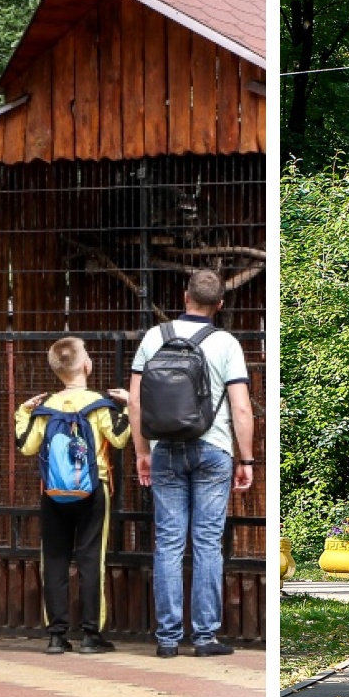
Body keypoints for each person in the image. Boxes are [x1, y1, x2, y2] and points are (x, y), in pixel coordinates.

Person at [128, 269, 254, 658]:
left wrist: (141, 452)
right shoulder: (226, 343)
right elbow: (241, 406)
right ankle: (204, 637)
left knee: (167, 542)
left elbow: (135, 402)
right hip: (212, 450)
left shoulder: (154, 337)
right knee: (206, 542)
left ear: (184, 297)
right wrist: (246, 457)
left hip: (165, 448)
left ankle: (166, 640)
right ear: (219, 304)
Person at [15, 337, 131, 655]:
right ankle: (91, 635)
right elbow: (119, 439)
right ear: (86, 365)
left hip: (53, 494)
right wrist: (132, 404)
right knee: (92, 560)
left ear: (55, 369)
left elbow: (25, 446)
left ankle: (56, 635)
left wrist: (22, 413)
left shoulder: (43, 409)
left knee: (53, 561)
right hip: (93, 491)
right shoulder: (99, 404)